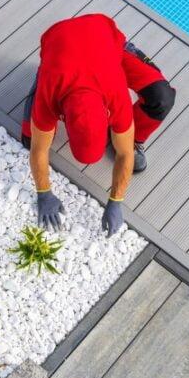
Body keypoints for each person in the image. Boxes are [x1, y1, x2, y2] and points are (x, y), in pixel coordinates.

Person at [21, 13, 176, 237]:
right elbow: (38, 149)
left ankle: (137, 139)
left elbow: (124, 154)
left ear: (107, 115)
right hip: (59, 43)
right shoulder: (51, 93)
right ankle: (43, 69)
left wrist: (116, 201)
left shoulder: (116, 95)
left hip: (107, 42)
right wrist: (43, 193)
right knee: (29, 138)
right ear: (63, 116)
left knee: (162, 97)